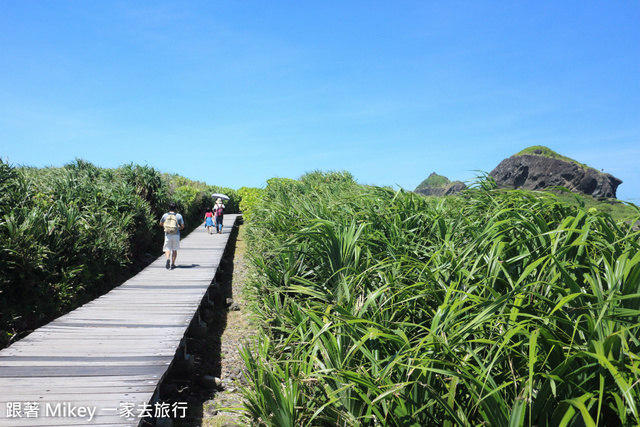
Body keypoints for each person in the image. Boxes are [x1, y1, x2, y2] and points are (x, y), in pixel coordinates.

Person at [159, 202, 185, 270]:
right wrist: (178, 228)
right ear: (175, 208)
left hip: (168, 234)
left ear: (168, 208)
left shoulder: (165, 215)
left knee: (167, 249)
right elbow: (182, 226)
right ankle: (173, 264)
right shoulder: (179, 216)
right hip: (176, 234)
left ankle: (168, 259)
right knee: (174, 250)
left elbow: (161, 223)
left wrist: (166, 227)